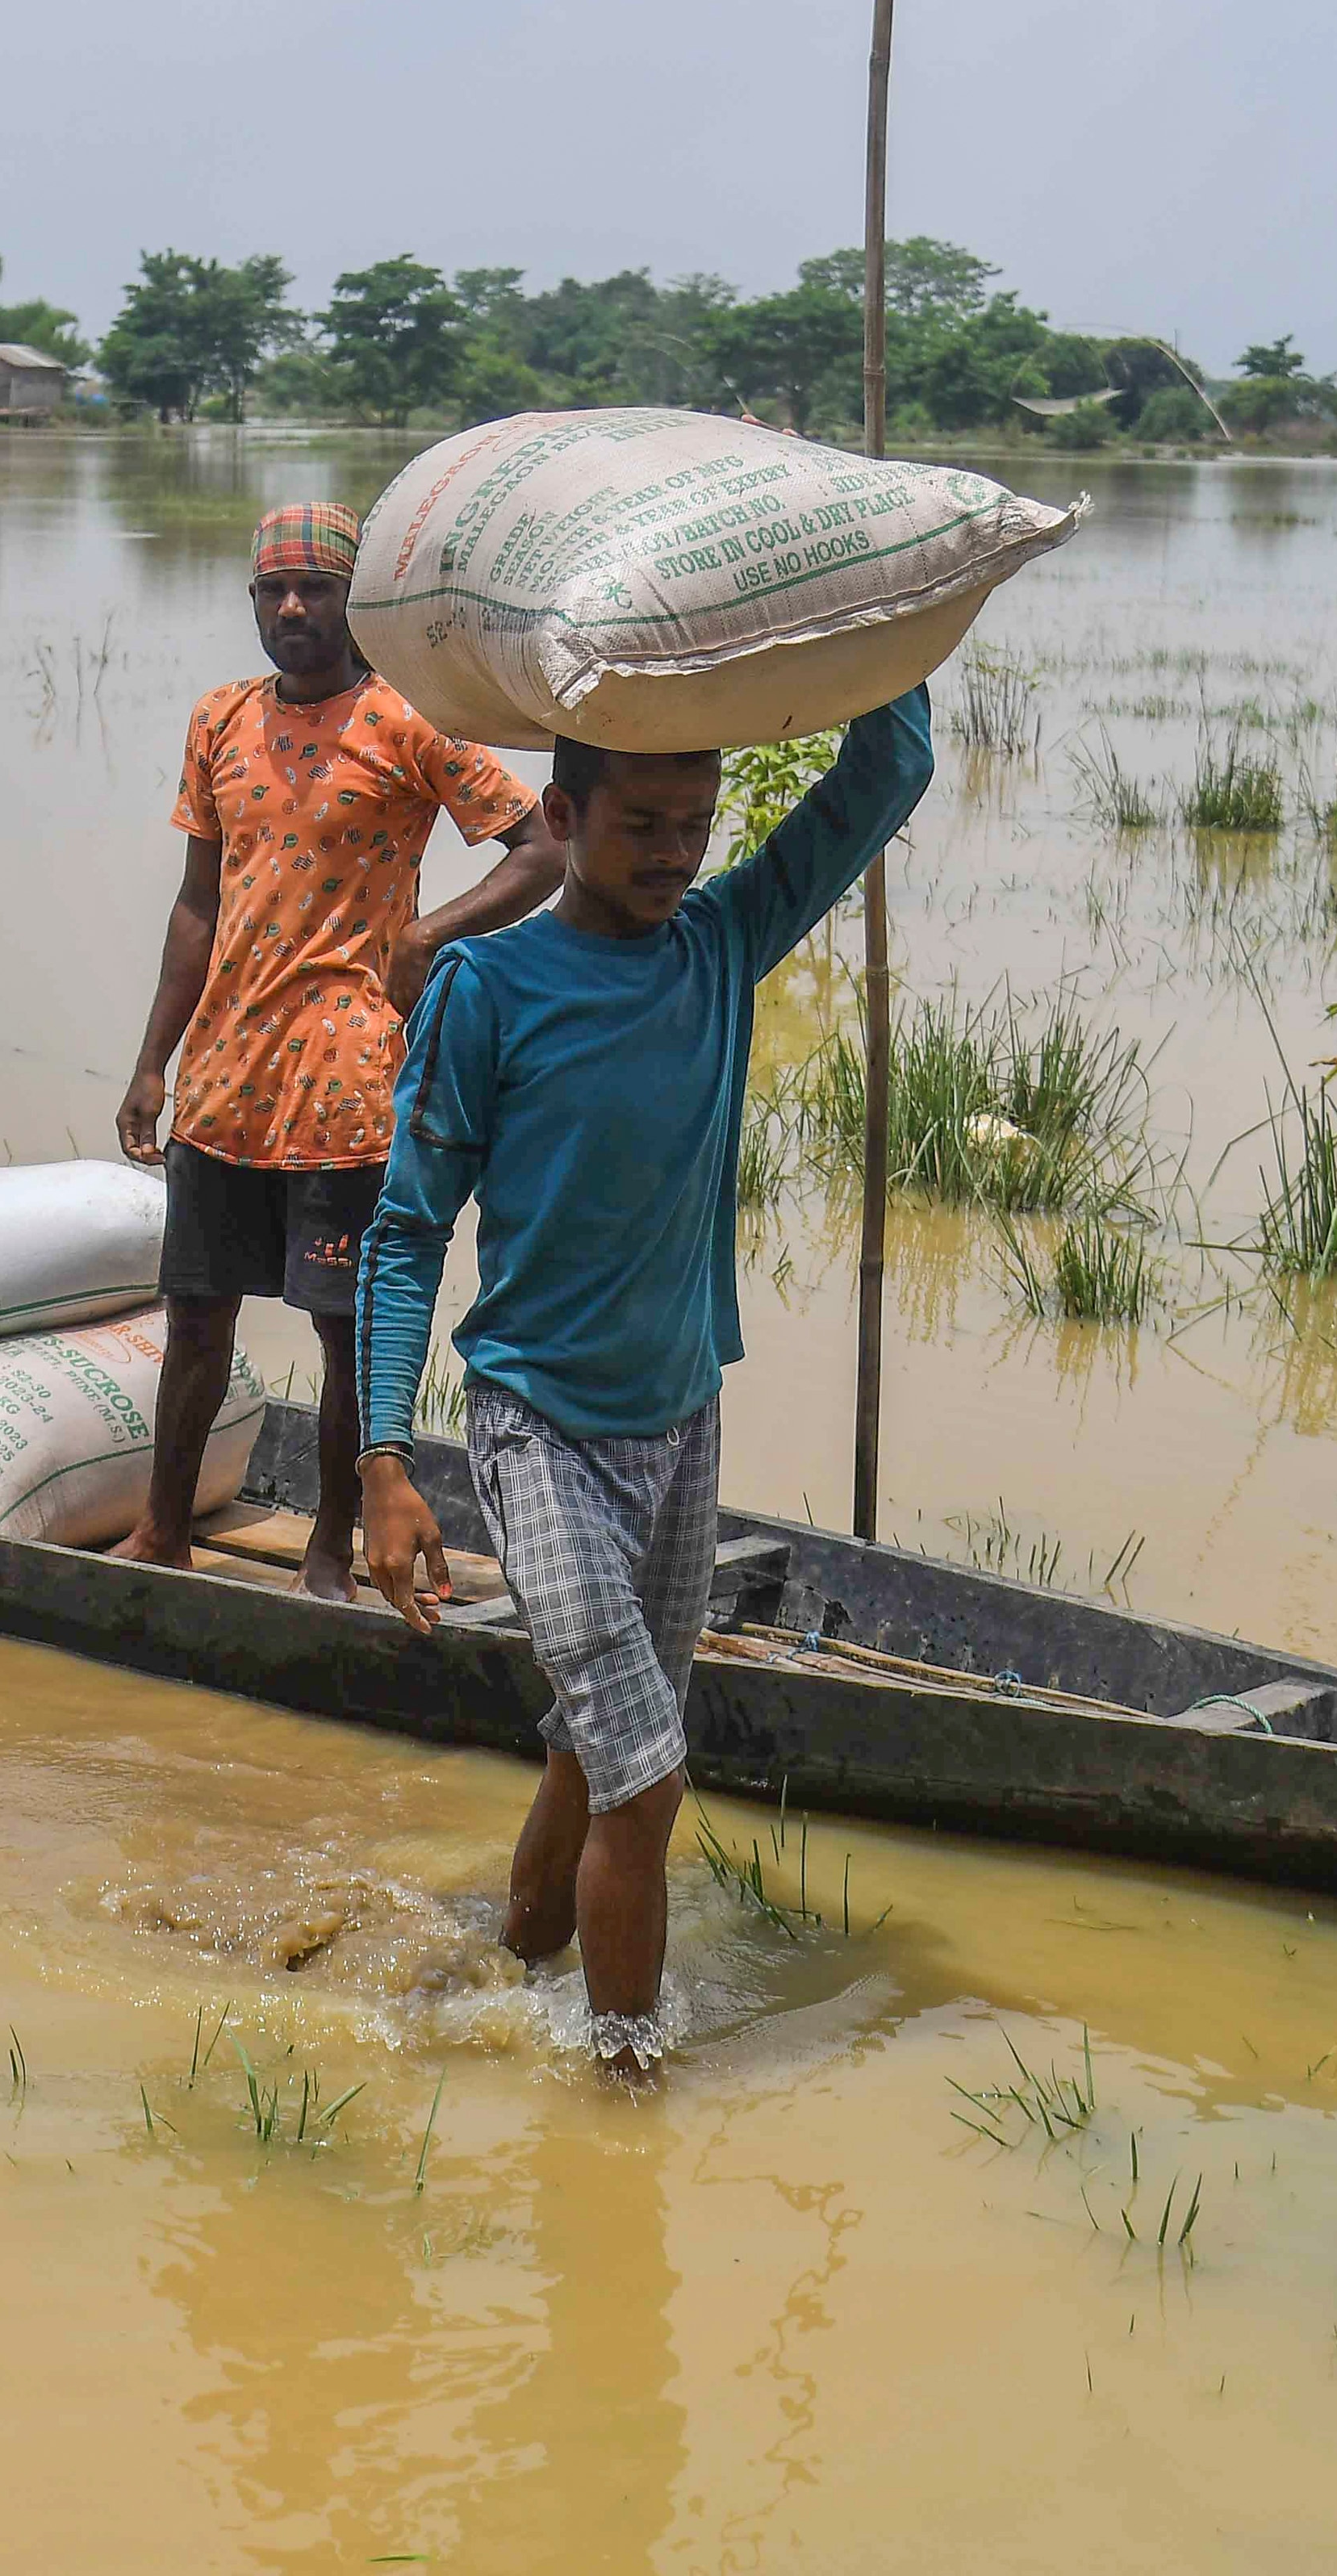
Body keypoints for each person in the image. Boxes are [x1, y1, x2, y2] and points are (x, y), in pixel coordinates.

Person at [352, 688, 935, 2074]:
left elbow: (889, 769)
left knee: (597, 1749)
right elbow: (403, 1237)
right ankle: (626, 2094)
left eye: (696, 823)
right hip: (537, 1430)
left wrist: (872, 619)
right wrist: (384, 1465)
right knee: (649, 1770)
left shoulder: (721, 946)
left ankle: (518, 1959)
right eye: (642, 826)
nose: (677, 854)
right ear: (561, 818)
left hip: (680, 1426)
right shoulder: (486, 992)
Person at [115, 500, 557, 1594]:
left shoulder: (409, 721)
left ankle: (328, 1551)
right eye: (275, 592)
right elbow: (194, 908)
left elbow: (542, 846)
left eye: (317, 590)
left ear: (359, 606)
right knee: (196, 1323)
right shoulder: (222, 719)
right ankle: (163, 1532)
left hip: (349, 1087)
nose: (295, 609)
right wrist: (149, 1062)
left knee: (344, 1333)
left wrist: (428, 933)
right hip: (224, 1081)